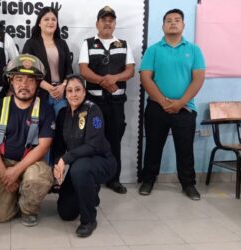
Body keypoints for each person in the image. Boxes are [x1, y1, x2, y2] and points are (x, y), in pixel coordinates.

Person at [138, 9, 205, 200]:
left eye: (177, 20)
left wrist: (180, 103)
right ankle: (148, 180)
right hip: (156, 108)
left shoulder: (193, 50)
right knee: (152, 146)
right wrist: (163, 101)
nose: (173, 23)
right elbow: (145, 77)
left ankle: (188, 184)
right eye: (169, 20)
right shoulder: (153, 50)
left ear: (183, 25)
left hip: (185, 108)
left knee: (185, 149)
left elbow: (198, 79)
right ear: (163, 26)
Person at [0, 54, 55, 227]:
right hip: (2, 163)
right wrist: (4, 173)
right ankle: (12, 196)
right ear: (11, 82)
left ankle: (29, 209)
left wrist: (17, 171)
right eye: (19, 79)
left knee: (38, 178)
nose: (24, 84)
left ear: (37, 84)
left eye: (30, 80)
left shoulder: (46, 110)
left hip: (31, 163)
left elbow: (44, 146)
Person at [79, 6, 135, 194]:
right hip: (95, 104)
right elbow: (84, 71)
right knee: (93, 139)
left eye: (111, 20)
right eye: (104, 20)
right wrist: (105, 81)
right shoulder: (88, 44)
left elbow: (130, 71)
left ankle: (114, 179)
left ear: (115, 24)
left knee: (114, 141)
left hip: (116, 104)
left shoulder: (123, 45)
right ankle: (93, 178)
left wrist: (114, 79)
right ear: (97, 23)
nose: (107, 23)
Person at [52, 75, 117, 238]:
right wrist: (57, 165)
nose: (74, 94)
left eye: (78, 90)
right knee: (65, 213)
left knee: (80, 169)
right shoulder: (62, 114)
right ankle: (91, 193)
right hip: (77, 164)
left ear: (84, 92)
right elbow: (58, 145)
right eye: (70, 91)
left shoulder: (93, 110)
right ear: (65, 94)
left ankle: (89, 220)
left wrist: (65, 160)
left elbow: (94, 145)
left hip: (102, 161)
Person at [23, 6, 73, 115]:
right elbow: (28, 71)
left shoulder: (62, 43)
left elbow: (69, 69)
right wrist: (48, 87)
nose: (50, 22)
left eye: (53, 19)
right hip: (40, 93)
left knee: (61, 126)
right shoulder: (31, 44)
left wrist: (63, 86)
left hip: (61, 94)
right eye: (46, 19)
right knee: (41, 128)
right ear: (39, 23)